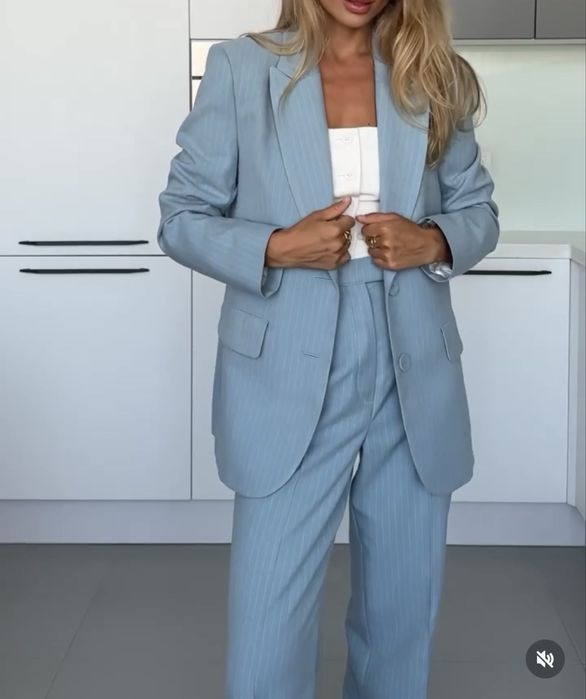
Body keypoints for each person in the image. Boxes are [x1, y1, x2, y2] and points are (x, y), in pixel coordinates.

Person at [156, 1, 499, 696]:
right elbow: (181, 217)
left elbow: (479, 212)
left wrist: (431, 239)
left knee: (401, 609)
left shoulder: (434, 74)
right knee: (270, 619)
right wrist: (276, 246)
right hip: (287, 358)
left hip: (411, 360)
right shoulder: (242, 68)